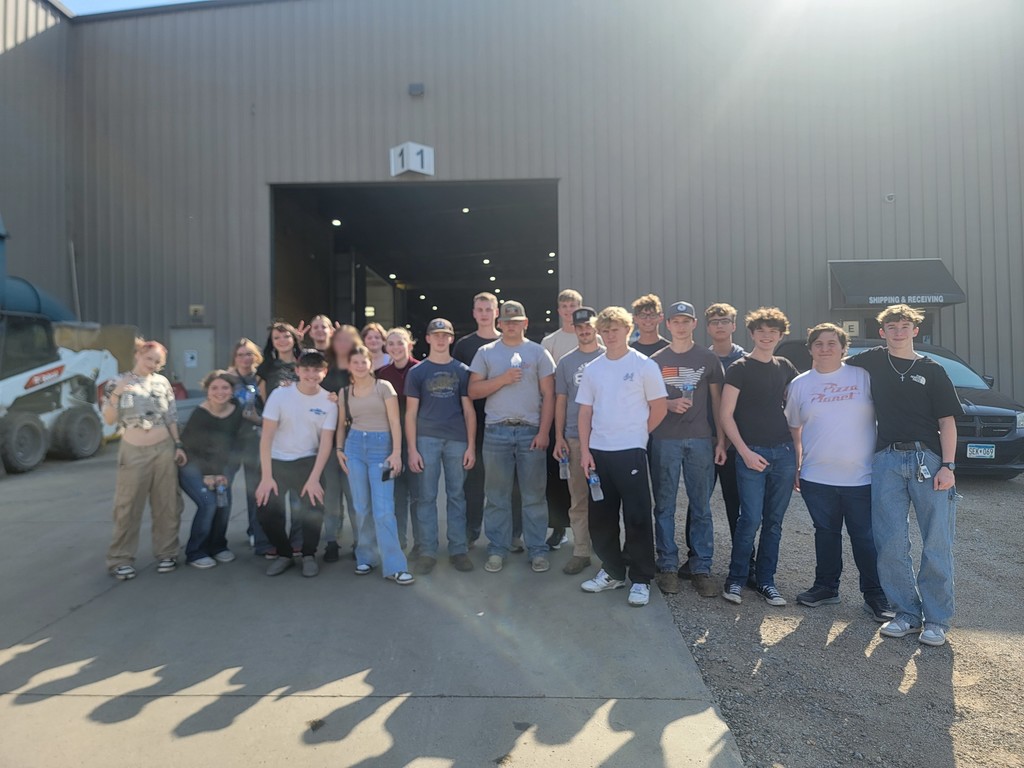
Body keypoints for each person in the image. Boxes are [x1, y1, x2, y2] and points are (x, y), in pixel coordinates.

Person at [846, 304, 962, 647]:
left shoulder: (933, 369)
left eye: (904, 325)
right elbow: (832, 369)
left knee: (937, 541)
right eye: (891, 326)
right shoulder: (869, 361)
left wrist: (949, 466)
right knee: (891, 541)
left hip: (929, 460)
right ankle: (906, 614)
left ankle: (937, 620)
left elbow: (947, 422)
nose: (898, 331)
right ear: (882, 332)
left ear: (915, 330)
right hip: (885, 461)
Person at [785, 323, 894, 621]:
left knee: (864, 538)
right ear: (810, 349)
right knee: (826, 534)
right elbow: (794, 428)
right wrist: (796, 464)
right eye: (818, 343)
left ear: (844, 348)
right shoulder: (800, 385)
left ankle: (875, 595)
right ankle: (826, 588)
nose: (825, 348)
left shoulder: (863, 378)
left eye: (832, 343)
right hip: (816, 478)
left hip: (862, 478)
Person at [577, 307, 667, 607]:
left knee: (637, 517)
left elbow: (659, 408)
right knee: (601, 518)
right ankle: (613, 572)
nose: (610, 334)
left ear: (628, 330)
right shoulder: (593, 368)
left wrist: (636, 436)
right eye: (605, 329)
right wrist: (586, 451)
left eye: (615, 328)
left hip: (630, 453)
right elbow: (585, 411)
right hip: (599, 454)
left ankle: (640, 579)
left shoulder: (644, 365)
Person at [468, 300, 556, 574]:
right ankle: (497, 549)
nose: (511, 325)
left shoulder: (539, 353)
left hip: (530, 431)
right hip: (497, 431)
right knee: (496, 496)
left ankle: (538, 550)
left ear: (525, 323)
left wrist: (544, 432)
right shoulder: (486, 352)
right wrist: (503, 379)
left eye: (516, 321)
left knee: (533, 496)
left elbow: (549, 395)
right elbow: (473, 391)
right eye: (507, 322)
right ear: (499, 323)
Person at [719, 307, 799, 607]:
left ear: (780, 335)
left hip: (784, 453)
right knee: (749, 519)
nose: (767, 336)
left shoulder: (785, 366)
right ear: (751, 334)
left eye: (773, 332)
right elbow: (726, 415)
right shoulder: (739, 368)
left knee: (774, 522)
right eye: (762, 331)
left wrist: (798, 457)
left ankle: (766, 581)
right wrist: (744, 452)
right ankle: (736, 579)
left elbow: (797, 409)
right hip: (751, 453)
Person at [648, 301, 726, 598]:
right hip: (665, 439)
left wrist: (721, 439)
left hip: (700, 440)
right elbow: (646, 399)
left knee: (702, 507)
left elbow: (717, 402)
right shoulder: (656, 359)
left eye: (686, 320)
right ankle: (667, 565)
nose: (680, 325)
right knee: (665, 505)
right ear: (667, 324)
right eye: (675, 321)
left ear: (694, 323)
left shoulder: (707, 358)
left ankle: (701, 567)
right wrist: (668, 404)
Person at [101, 340, 186, 580]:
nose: (153, 364)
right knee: (127, 506)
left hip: (164, 449)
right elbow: (108, 419)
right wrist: (119, 392)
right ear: (138, 354)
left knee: (167, 503)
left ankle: (167, 553)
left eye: (158, 362)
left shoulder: (162, 382)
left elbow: (171, 416)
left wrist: (177, 444)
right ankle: (120, 559)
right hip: (133, 450)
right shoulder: (116, 382)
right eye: (149, 358)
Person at [255, 349, 338, 578]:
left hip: (308, 462)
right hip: (277, 461)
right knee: (266, 512)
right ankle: (284, 554)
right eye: (307, 369)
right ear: (298, 370)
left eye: (317, 369)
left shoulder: (329, 402)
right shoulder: (280, 396)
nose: (311, 374)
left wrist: (313, 479)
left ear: (324, 371)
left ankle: (309, 554)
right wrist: (266, 477)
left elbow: (325, 444)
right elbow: (267, 437)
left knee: (313, 508)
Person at [336, 344, 413, 584]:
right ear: (349, 365)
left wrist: (397, 453)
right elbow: (341, 424)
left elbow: (394, 422)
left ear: (371, 363)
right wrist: (339, 449)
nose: (360, 366)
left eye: (364, 361)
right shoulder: (344, 392)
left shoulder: (384, 387)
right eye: (355, 362)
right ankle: (366, 557)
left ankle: (395, 566)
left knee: (383, 510)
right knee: (361, 507)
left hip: (382, 450)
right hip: (355, 448)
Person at [406, 318, 477, 573]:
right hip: (426, 440)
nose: (440, 339)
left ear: (451, 339)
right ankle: (427, 551)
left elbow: (469, 411)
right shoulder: (417, 372)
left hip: (457, 440)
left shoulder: (462, 370)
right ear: (427, 338)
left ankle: (458, 549)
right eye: (435, 334)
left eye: (445, 335)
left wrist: (471, 446)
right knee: (426, 497)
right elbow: (410, 414)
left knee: (456, 496)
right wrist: (412, 449)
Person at [551, 306, 603, 575]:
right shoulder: (566, 362)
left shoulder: (609, 357)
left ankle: (608, 551)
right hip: (573, 438)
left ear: (596, 327)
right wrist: (558, 436)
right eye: (579, 327)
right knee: (579, 498)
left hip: (606, 439)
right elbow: (560, 401)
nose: (584, 331)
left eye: (589, 326)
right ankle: (581, 551)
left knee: (607, 500)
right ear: (574, 328)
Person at [453, 292, 507, 548]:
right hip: (473, 424)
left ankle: (509, 534)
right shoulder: (464, 346)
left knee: (505, 483)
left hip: (503, 422)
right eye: (480, 309)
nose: (484, 313)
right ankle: (471, 531)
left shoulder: (508, 341)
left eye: (489, 309)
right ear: (474, 313)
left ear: (497, 312)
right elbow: (458, 387)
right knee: (473, 483)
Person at [178, 370, 245, 569]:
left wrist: (224, 473)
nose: (220, 392)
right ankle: (196, 551)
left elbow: (236, 445)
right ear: (207, 391)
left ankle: (217, 546)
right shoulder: (201, 414)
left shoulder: (237, 410)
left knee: (223, 502)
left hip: (221, 465)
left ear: (232, 391)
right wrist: (209, 474)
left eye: (225, 387)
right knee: (208, 503)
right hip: (192, 465)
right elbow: (192, 449)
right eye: (214, 388)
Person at [541, 289, 584, 551]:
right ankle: (559, 528)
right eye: (565, 306)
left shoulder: (595, 339)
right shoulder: (550, 342)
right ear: (559, 311)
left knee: (587, 480)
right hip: (560, 418)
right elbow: (547, 385)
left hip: (588, 421)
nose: (569, 310)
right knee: (558, 478)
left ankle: (588, 532)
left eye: (573, 305)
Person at [377, 327, 421, 555]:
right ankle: (399, 541)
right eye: (391, 343)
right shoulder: (381, 374)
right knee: (394, 494)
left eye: (400, 343)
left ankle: (421, 544)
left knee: (418, 494)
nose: (395, 347)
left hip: (416, 441)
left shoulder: (420, 370)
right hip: (388, 444)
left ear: (409, 345)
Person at [320, 324, 360, 562]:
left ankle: (358, 542)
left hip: (355, 442)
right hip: (328, 441)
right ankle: (331, 542)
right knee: (331, 496)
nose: (343, 344)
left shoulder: (360, 369)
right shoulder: (326, 371)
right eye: (339, 340)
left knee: (355, 497)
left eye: (348, 340)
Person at [226, 338, 269, 555]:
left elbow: (270, 408)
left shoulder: (261, 378)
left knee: (256, 490)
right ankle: (216, 539)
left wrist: (258, 419)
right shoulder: (226, 378)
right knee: (222, 490)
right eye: (240, 354)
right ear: (234, 358)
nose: (245, 358)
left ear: (256, 356)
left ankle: (257, 532)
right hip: (231, 442)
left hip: (255, 440)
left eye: (249, 354)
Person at [256, 322, 303, 401]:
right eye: (276, 338)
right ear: (272, 342)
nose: (282, 340)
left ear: (294, 339)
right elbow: (265, 402)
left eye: (286, 336)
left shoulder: (306, 365)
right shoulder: (265, 368)